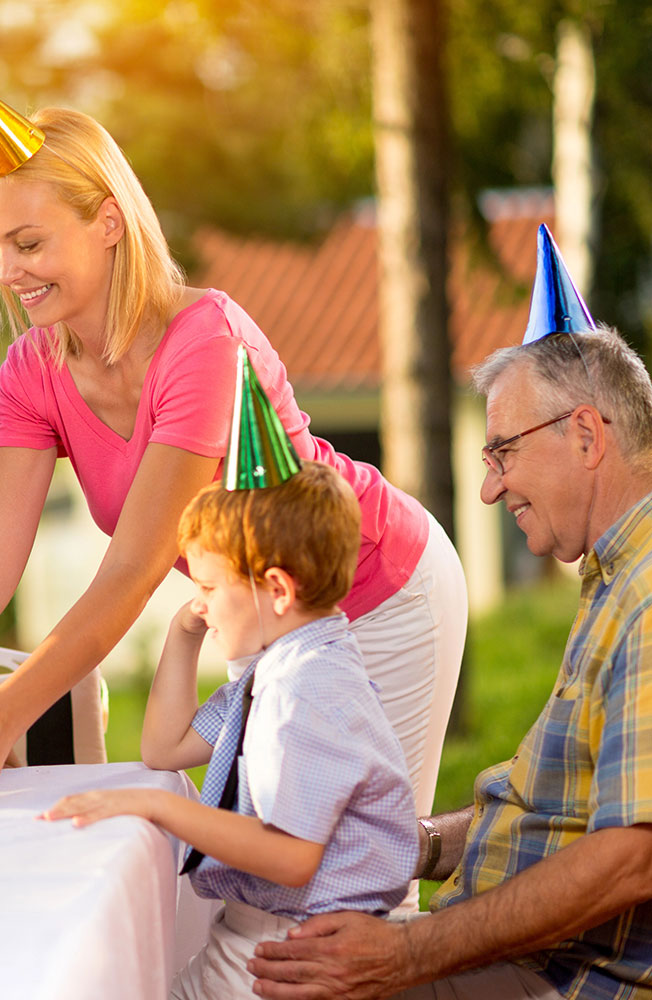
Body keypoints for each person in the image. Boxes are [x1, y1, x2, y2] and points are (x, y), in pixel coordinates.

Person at [0, 60, 467, 809]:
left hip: (377, 592)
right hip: (259, 625)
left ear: (107, 221)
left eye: (27, 243)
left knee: (358, 869)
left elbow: (133, 567)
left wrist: (3, 717)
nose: (6, 271)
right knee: (264, 887)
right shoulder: (32, 371)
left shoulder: (203, 340)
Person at [250, 230, 652, 999]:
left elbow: (630, 856)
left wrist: (406, 954)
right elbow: (558, 816)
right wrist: (415, 844)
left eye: (502, 453)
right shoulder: (612, 577)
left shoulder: (648, 593)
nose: (489, 491)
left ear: (585, 434)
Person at [44, 357, 416, 999]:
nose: (202, 602)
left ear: (274, 589)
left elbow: (291, 854)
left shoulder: (310, 692)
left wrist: (156, 804)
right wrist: (182, 636)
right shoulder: (277, 670)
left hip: (293, 954)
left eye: (211, 586)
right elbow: (165, 748)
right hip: (254, 938)